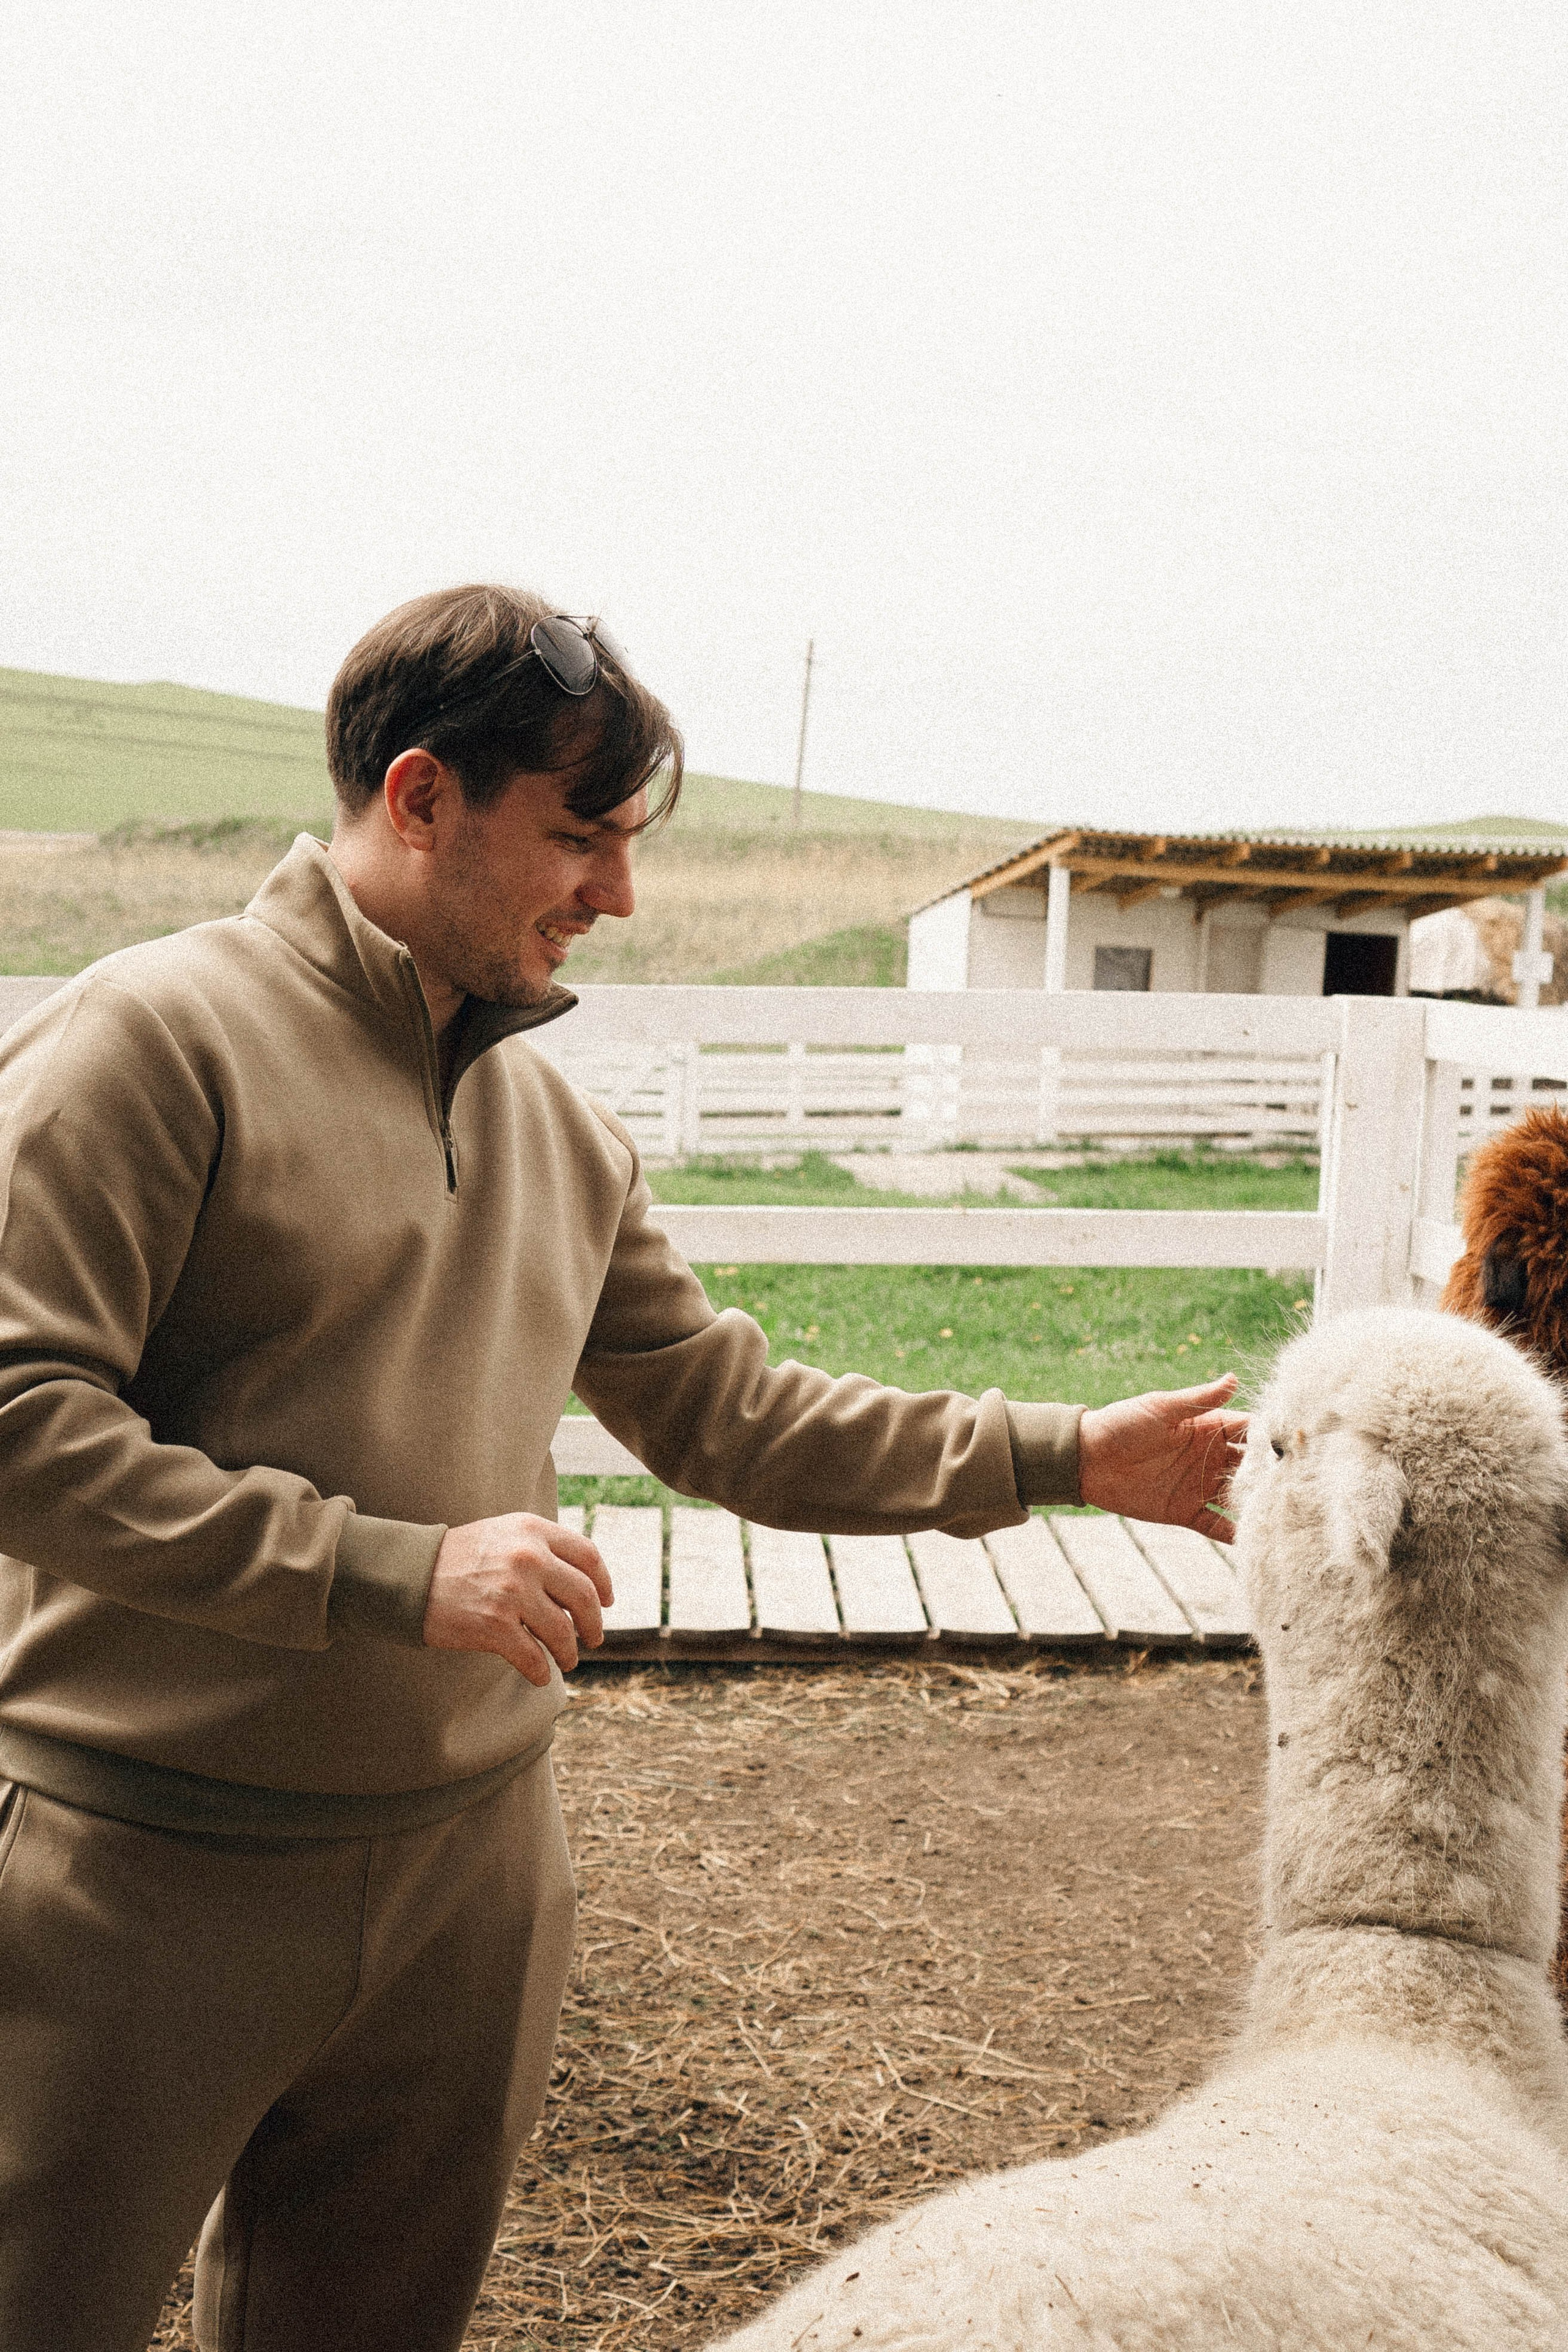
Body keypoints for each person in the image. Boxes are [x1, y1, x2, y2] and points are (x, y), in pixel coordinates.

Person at [0, 584, 1245, 2352]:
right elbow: (18, 1422)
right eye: (579, 836)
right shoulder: (148, 1044)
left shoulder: (557, 1127)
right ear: (420, 797)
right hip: (141, 1866)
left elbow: (728, 1414)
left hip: (472, 1887)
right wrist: (391, 1570)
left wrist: (1064, 1455)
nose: (620, 895)